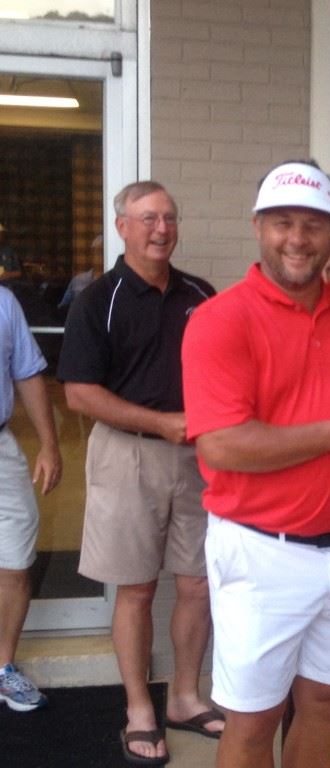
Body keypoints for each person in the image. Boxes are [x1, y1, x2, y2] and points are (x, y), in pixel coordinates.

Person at [180, 159, 330, 768]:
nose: (298, 239)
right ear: (258, 226)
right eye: (283, 223)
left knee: (328, 703)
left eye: (312, 225)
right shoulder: (218, 320)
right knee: (253, 722)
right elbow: (222, 445)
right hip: (261, 553)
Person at [57, 181, 221, 765]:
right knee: (135, 588)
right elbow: (79, 394)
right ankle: (138, 709)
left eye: (170, 217)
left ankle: (183, 696)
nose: (161, 228)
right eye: (148, 217)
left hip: (200, 457)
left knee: (198, 583)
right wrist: (161, 422)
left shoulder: (201, 294)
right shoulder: (96, 299)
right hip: (127, 454)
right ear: (122, 225)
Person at [0, 285, 62, 712]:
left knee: (17, 561)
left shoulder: (4, 303)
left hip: (1, 447)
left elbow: (26, 372)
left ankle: (3, 667)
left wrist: (49, 444)